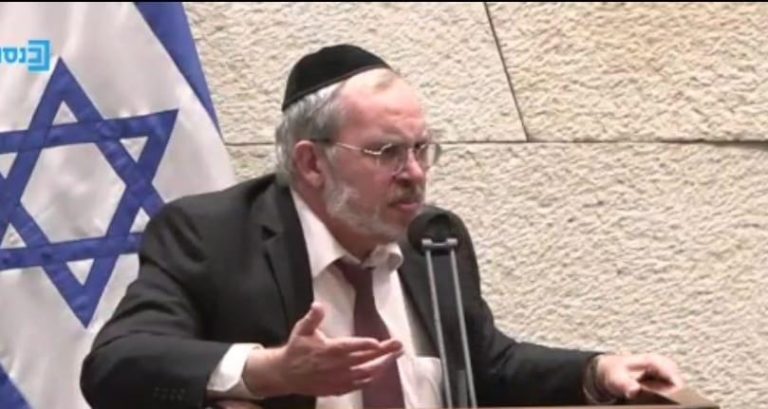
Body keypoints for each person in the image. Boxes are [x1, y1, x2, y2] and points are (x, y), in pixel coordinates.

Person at [80, 44, 683, 409]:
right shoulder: (212, 235)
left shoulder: (433, 240)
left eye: (422, 148)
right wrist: (269, 372)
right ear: (311, 163)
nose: (414, 174)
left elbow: (484, 364)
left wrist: (596, 371)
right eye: (386, 152)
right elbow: (116, 365)